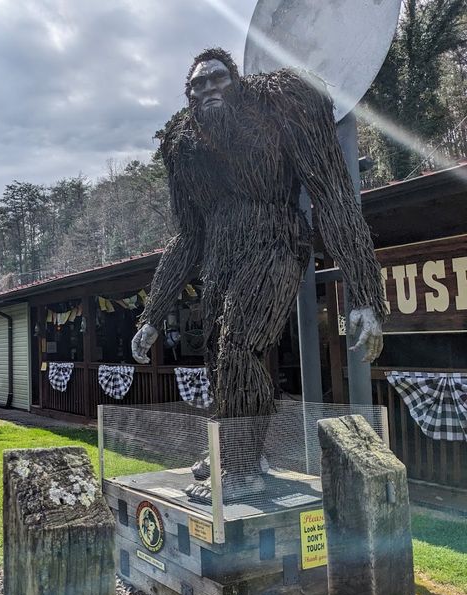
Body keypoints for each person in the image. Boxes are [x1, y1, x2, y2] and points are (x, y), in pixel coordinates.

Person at [131, 48, 386, 501]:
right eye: (199, 84)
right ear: (188, 95)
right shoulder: (184, 146)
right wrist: (152, 315)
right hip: (220, 258)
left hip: (277, 241)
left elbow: (332, 196)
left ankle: (242, 470)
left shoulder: (281, 101)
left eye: (218, 78)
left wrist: (365, 292)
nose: (209, 88)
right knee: (216, 356)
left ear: (237, 79)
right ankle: (236, 448)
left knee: (238, 346)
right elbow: (189, 235)